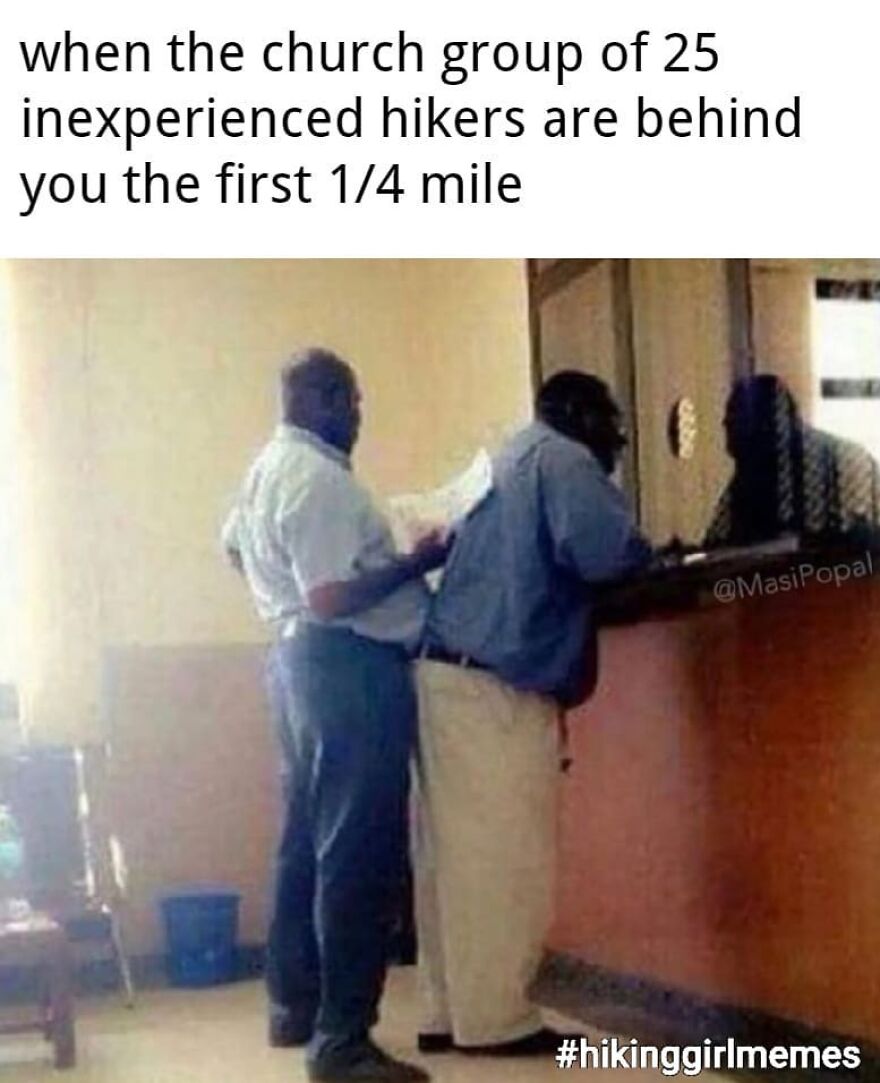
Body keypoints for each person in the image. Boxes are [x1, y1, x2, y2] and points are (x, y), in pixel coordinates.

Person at [222, 348, 446, 1083]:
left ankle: (293, 1006)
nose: (358, 414)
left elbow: (232, 547)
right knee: (358, 854)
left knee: (303, 844)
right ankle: (343, 1040)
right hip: (345, 665)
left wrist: (274, 583)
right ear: (317, 398)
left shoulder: (266, 468)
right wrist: (418, 562)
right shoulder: (318, 480)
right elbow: (329, 596)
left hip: (293, 666)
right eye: (350, 400)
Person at [413, 371, 652, 1055]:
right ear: (581, 415)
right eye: (610, 427)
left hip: (445, 673)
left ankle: (446, 1011)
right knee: (505, 857)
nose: (615, 443)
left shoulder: (503, 456)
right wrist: (647, 550)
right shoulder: (562, 458)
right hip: (495, 687)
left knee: (448, 864)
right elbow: (607, 553)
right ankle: (495, 1021)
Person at [704, 374, 880, 548]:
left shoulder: (760, 475)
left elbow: (724, 553)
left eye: (733, 420)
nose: (725, 425)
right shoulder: (850, 454)